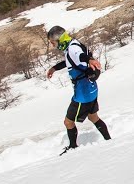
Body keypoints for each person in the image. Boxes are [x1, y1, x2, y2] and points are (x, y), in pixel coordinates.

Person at [46, 25, 111, 154]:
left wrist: (90, 60)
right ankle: (109, 140)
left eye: (53, 43)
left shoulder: (72, 49)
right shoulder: (74, 43)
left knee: (68, 122)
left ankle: (73, 147)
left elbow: (79, 56)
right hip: (91, 89)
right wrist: (54, 68)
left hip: (83, 94)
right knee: (93, 117)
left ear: (60, 40)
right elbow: (71, 60)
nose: (53, 46)